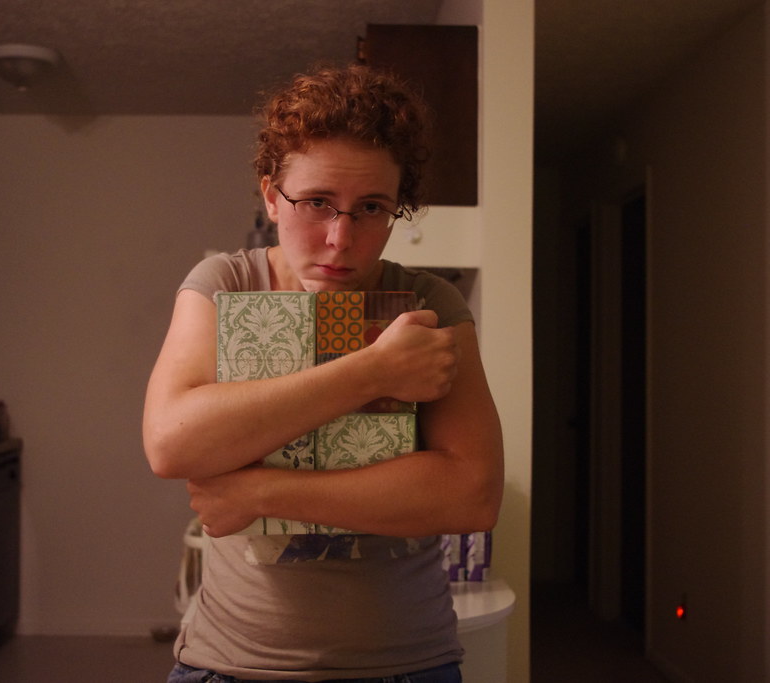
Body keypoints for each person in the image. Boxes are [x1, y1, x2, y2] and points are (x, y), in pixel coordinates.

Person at [142, 64, 504, 683]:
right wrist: (372, 372)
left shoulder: (427, 301)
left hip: (404, 664)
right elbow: (172, 443)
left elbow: (472, 494)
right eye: (316, 203)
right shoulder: (227, 284)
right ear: (268, 195)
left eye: (371, 208)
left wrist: (258, 492)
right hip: (231, 665)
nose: (341, 239)